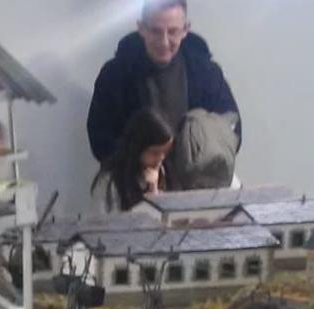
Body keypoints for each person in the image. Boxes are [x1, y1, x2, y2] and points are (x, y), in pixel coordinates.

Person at [87, 0, 239, 166]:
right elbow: (99, 136)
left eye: (172, 31)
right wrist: (137, 163)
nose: (164, 42)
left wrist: (203, 159)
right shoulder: (114, 75)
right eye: (156, 31)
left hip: (198, 176)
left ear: (185, 29)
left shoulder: (207, 73)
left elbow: (233, 127)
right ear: (141, 28)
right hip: (132, 175)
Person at [92, 107, 175, 212]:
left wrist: (154, 189)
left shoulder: (164, 172)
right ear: (138, 148)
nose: (161, 158)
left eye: (165, 152)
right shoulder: (109, 181)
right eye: (155, 153)